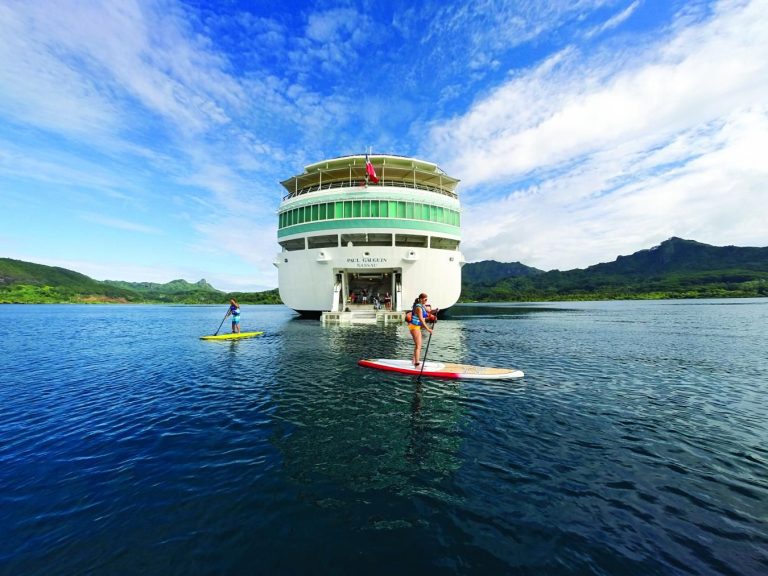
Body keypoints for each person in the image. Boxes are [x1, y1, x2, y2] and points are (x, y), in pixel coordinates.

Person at [408, 293, 433, 367]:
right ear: (421, 299)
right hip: (414, 327)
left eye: (427, 299)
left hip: (416, 327)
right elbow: (422, 320)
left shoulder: (423, 306)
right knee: (418, 346)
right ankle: (417, 364)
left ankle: (413, 361)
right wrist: (428, 329)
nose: (426, 301)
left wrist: (436, 310)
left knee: (417, 345)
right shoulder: (418, 308)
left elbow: (429, 311)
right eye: (425, 299)